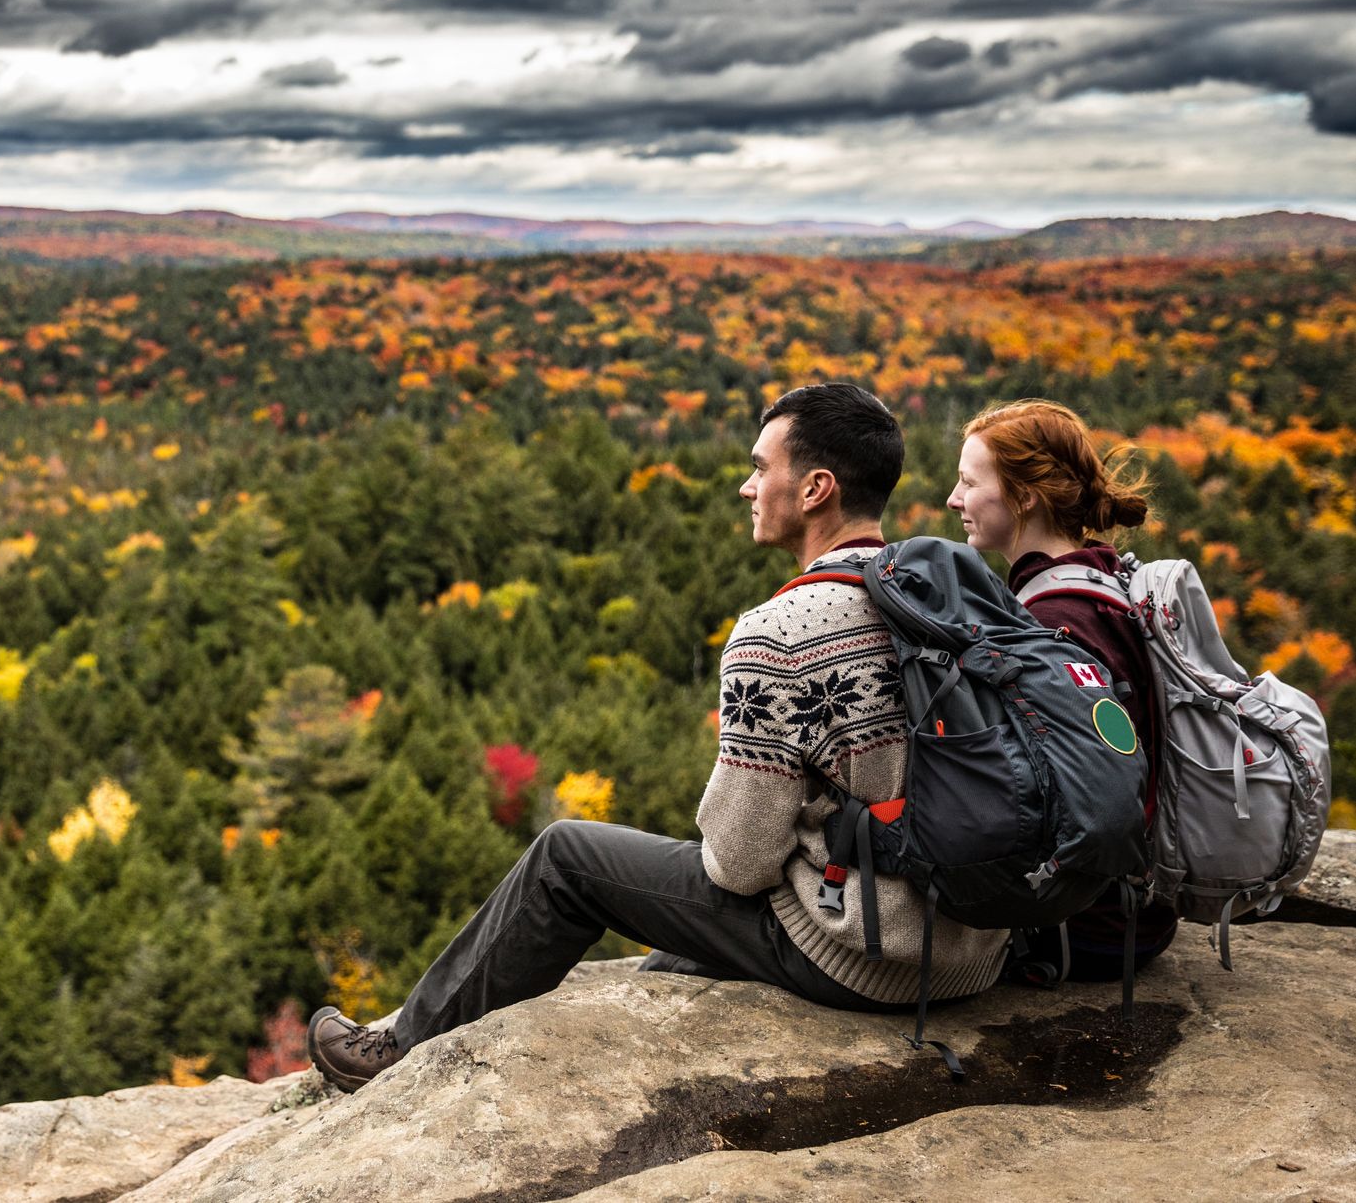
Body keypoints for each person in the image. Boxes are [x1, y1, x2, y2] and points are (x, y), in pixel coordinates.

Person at [307, 384, 1009, 1093]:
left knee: (567, 856)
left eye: (761, 468)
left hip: (863, 957)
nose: (746, 486)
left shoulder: (780, 632)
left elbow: (737, 864)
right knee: (669, 961)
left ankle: (397, 1053)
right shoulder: (947, 601)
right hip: (974, 947)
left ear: (815, 489)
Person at [948, 398, 1178, 981]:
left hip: (1082, 931)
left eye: (969, 483)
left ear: (1024, 497)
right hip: (1135, 915)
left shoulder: (1055, 621)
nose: (954, 500)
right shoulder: (1108, 580)